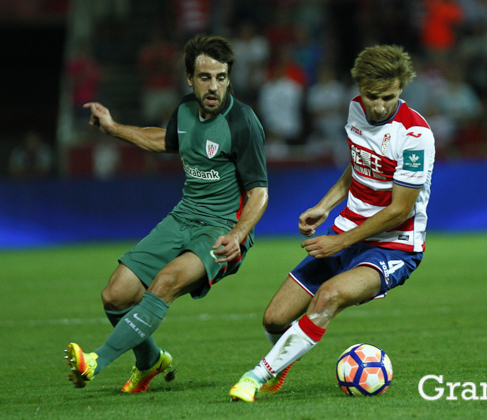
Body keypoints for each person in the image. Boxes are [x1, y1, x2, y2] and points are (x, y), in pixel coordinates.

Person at [228, 44, 435, 402]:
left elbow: (400, 209)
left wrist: (338, 242)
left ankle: (256, 376)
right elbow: (359, 164)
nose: (380, 105)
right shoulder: (355, 109)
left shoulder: (415, 136)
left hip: (394, 245)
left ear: (401, 89)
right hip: (347, 230)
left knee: (330, 295)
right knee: (274, 319)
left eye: (389, 97)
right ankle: (283, 357)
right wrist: (325, 206)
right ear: (359, 89)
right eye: (373, 96)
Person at [64, 34, 268, 393]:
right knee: (116, 295)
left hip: (221, 230)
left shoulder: (243, 122)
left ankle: (95, 360)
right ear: (189, 78)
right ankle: (150, 362)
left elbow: (259, 193)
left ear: (229, 78)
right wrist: (113, 129)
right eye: (205, 77)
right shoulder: (186, 110)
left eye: (221, 77)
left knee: (166, 283)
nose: (213, 86)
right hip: (182, 217)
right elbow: (165, 140)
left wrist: (237, 234)